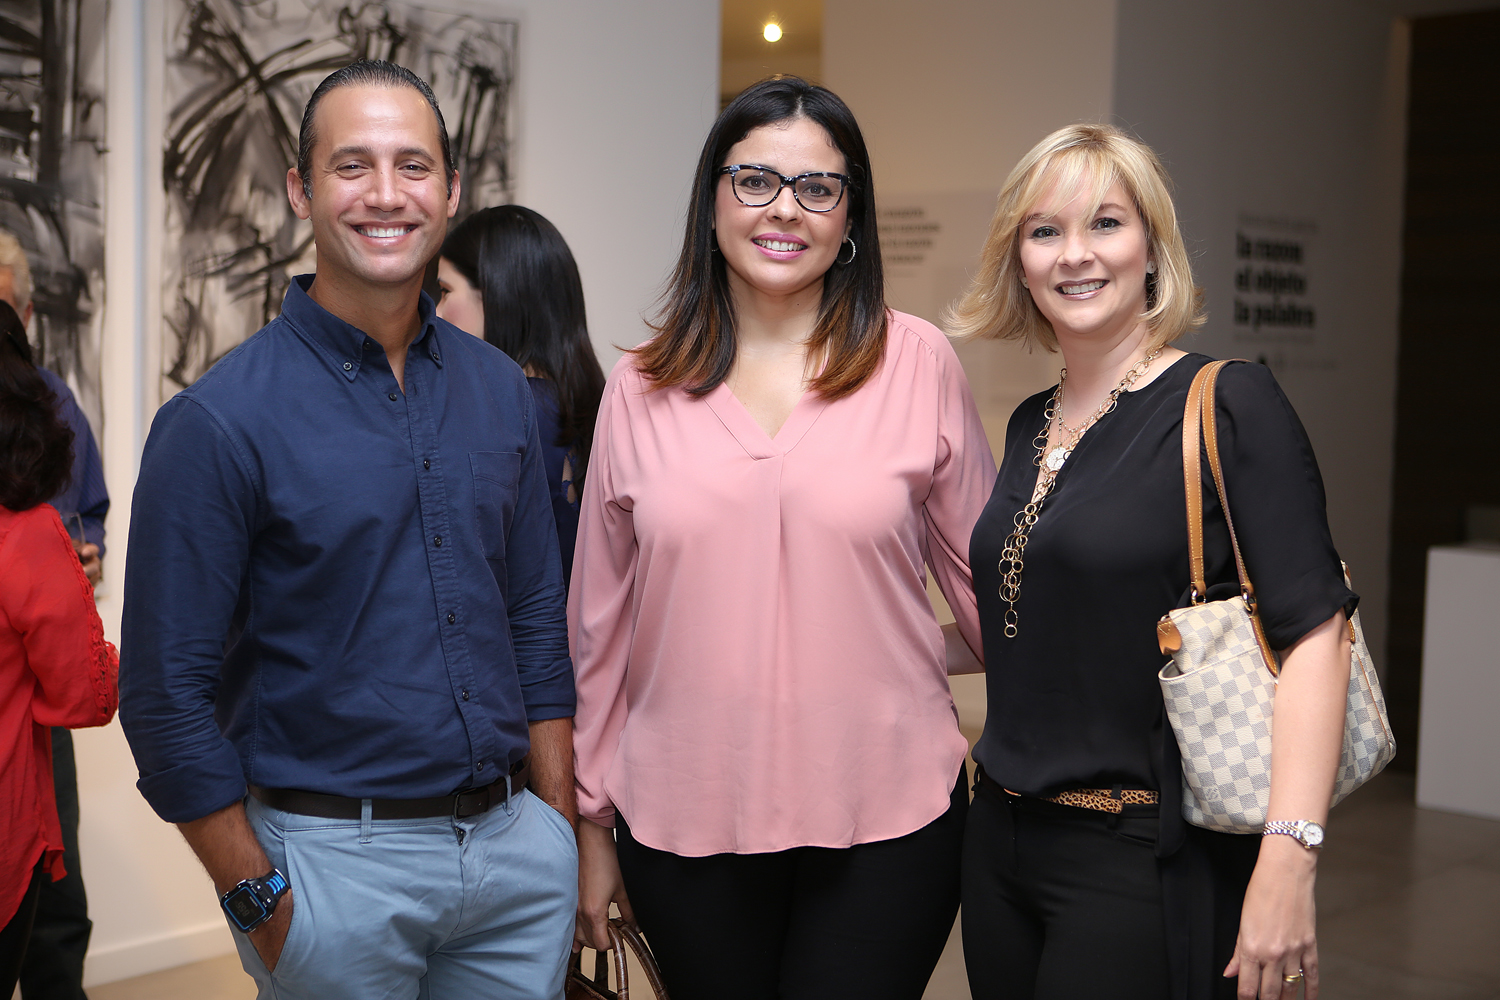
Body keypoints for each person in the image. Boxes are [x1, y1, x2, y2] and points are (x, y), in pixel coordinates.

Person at [119, 60, 577, 1000]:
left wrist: (557, 833)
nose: (385, 194)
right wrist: (262, 903)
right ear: (301, 189)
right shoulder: (218, 422)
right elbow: (164, 698)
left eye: (414, 166)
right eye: (351, 165)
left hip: (513, 860)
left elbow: (535, 621)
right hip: (332, 870)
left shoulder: (502, 394)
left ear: (451, 192)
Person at [570, 76, 994, 1000]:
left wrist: (903, 646)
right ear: (712, 198)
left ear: (852, 217)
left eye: (818, 187)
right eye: (754, 179)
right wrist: (589, 828)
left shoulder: (917, 362)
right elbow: (597, 634)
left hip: (891, 814)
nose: (784, 210)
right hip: (681, 819)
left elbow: (995, 597)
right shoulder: (638, 388)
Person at [947, 123, 1353, 1000]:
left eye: (1106, 223)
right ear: (1018, 261)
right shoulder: (1029, 423)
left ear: (1153, 249)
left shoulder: (1229, 400)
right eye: (1044, 231)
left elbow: (1318, 636)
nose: (1075, 255)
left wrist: (1290, 858)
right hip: (998, 844)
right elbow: (1036, 616)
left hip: (1137, 853)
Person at [0, 229, 110, 1000]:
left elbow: (88, 517)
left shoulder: (50, 403)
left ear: (26, 313)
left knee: (57, 905)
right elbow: (89, 692)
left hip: (34, 699)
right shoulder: (23, 532)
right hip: (35, 692)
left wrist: (83, 558)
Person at [436, 205, 606, 580]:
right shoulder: (590, 405)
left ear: (498, 296)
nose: (437, 312)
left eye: (446, 291)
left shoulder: (512, 416)